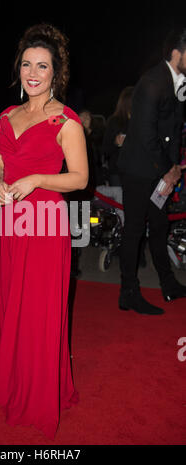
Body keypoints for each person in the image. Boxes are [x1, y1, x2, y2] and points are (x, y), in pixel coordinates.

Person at [0, 23, 88, 439]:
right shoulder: (8, 115)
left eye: (42, 66)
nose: (33, 72)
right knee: (13, 307)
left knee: (40, 313)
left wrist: (38, 180)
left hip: (46, 225)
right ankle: (17, 384)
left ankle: (41, 395)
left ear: (55, 73)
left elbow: (80, 179)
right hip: (10, 222)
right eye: (27, 64)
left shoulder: (66, 122)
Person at [117, 28, 186, 315]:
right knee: (134, 231)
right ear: (177, 53)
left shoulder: (178, 82)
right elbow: (146, 135)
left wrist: (172, 169)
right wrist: (169, 169)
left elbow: (172, 130)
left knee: (159, 227)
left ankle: (168, 285)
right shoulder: (152, 82)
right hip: (138, 170)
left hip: (158, 171)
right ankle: (128, 293)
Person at [102, 86, 134, 186]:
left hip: (137, 170)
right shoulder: (114, 121)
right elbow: (105, 150)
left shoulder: (141, 121)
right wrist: (116, 143)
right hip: (118, 171)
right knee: (119, 200)